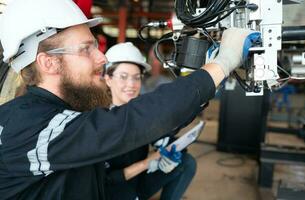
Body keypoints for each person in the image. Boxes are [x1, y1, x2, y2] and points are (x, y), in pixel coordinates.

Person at [0, 0, 256, 199]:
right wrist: (221, 65)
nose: (101, 59)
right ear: (49, 62)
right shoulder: (29, 126)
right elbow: (129, 123)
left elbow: (133, 125)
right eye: (86, 49)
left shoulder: (52, 115)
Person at [103, 42, 196, 200]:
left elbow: (161, 136)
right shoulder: (97, 120)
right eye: (123, 77)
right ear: (108, 79)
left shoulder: (141, 110)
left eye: (136, 78)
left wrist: (170, 151)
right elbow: (107, 179)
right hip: (110, 191)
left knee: (186, 163)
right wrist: (149, 162)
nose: (131, 85)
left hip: (137, 181)